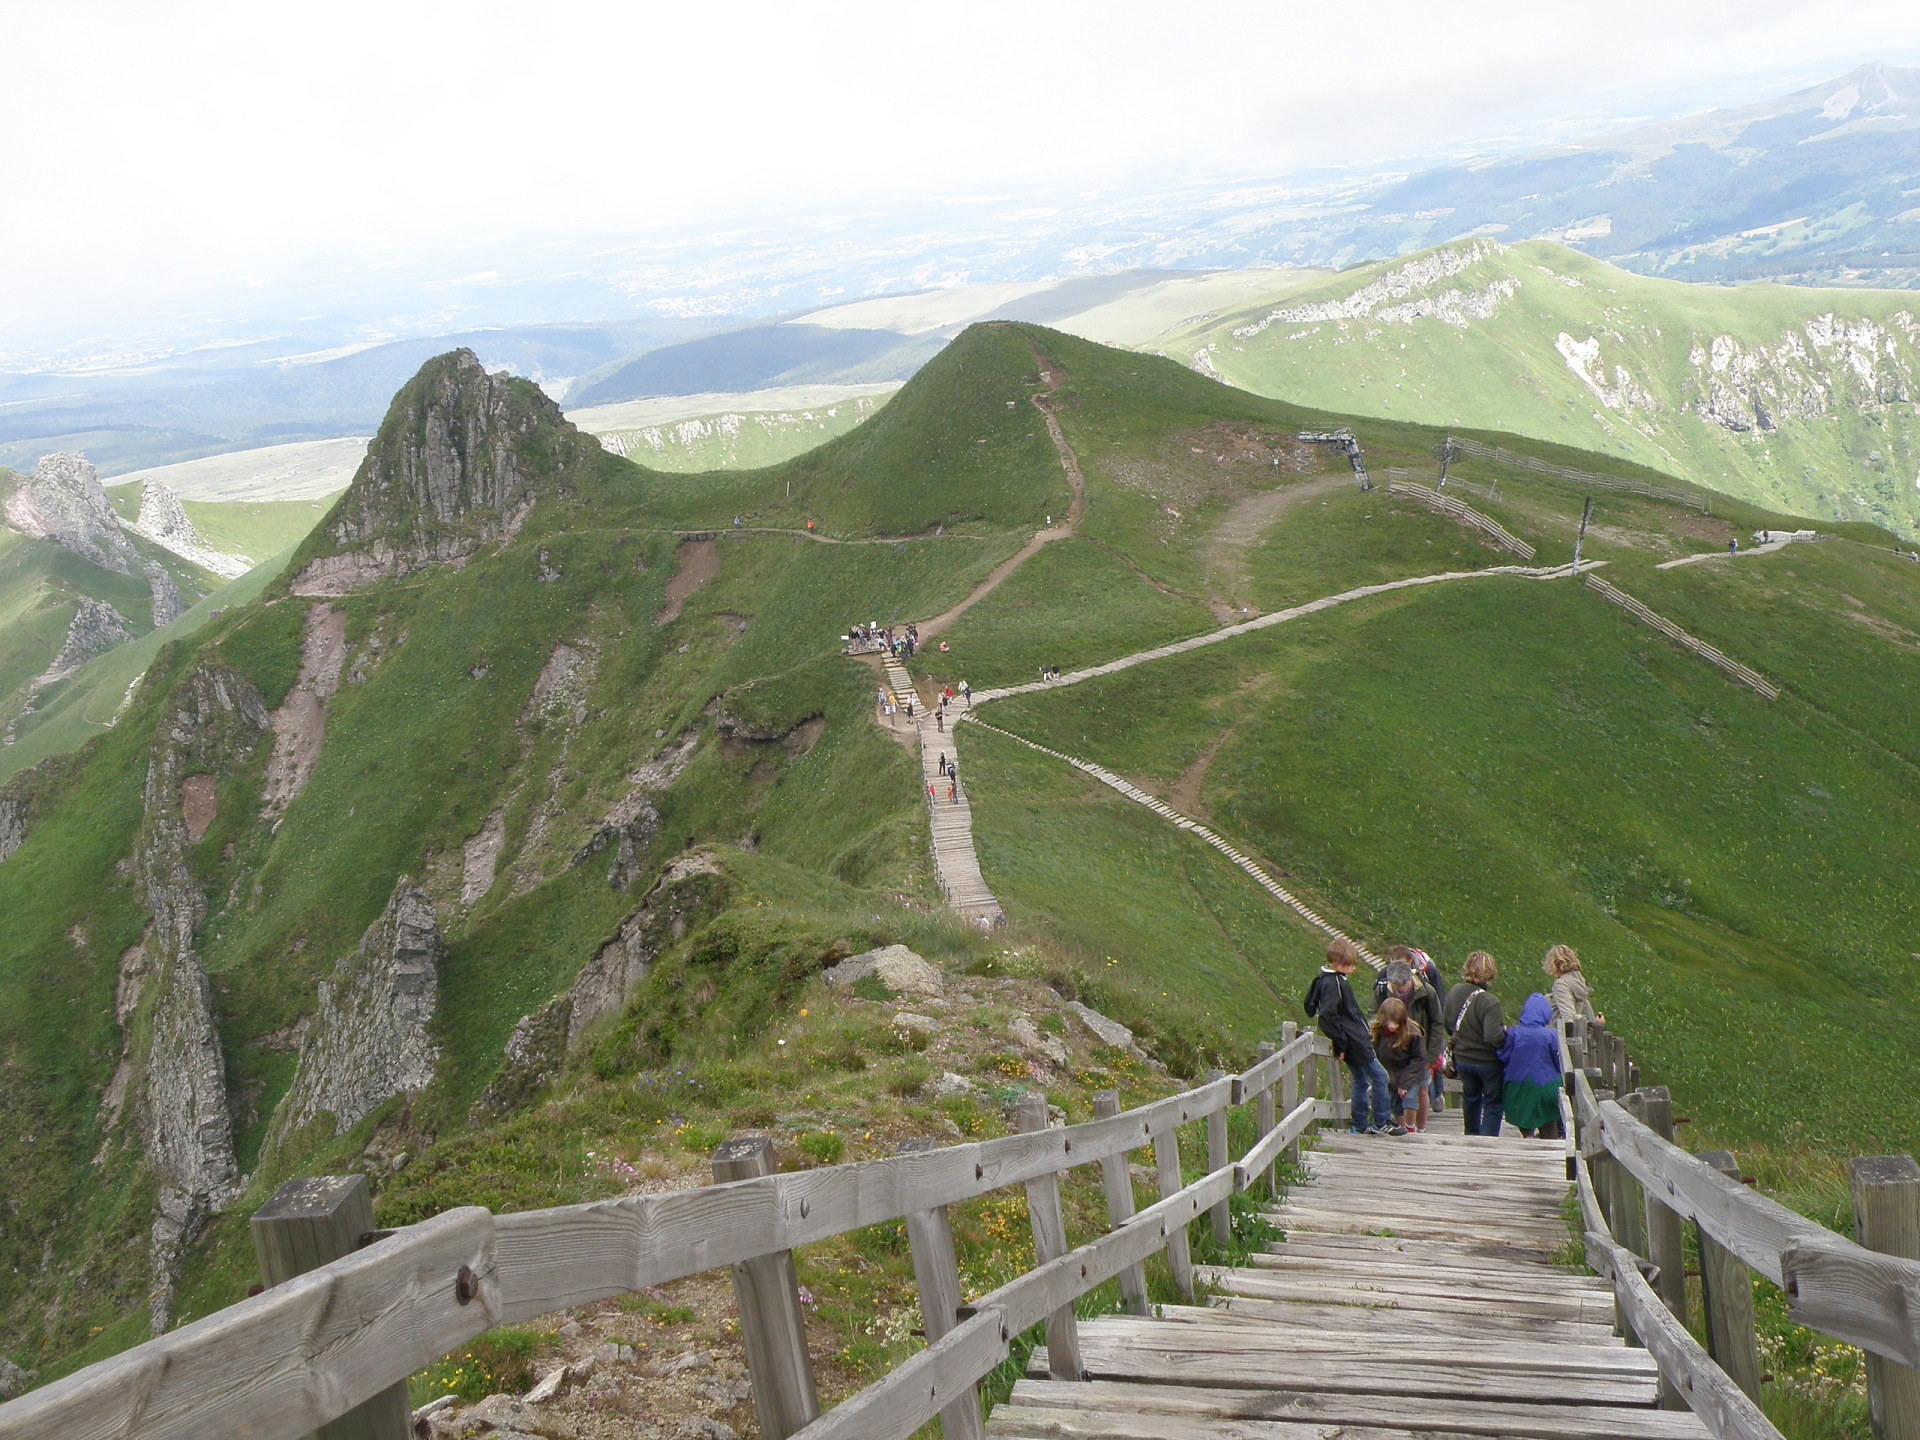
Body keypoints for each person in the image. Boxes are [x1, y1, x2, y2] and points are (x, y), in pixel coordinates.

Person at [1305, 938, 1400, 1135]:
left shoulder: (1325, 980)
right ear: (1339, 962)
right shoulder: (1334, 984)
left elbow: (1317, 1010)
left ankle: (1359, 1124)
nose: (1353, 968)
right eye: (1350, 964)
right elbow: (1328, 1016)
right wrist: (1341, 1045)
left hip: (1351, 1041)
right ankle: (1381, 1120)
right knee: (1380, 1077)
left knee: (1360, 1080)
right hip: (1354, 1042)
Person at [1444, 951, 1508, 1136]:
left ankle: (1470, 1137)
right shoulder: (1490, 1002)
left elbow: (1448, 1025)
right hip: (1488, 1063)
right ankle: (1486, 1143)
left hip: (1463, 1059)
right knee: (1493, 1103)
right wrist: (1505, 1036)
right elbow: (1493, 1037)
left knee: (1471, 1098)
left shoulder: (1454, 992)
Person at [1375, 960, 1443, 1132]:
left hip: (1420, 1049)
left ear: (1410, 979)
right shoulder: (1383, 992)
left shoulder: (1427, 992)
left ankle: (1420, 1128)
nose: (1400, 990)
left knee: (1422, 1089)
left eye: (1403, 986)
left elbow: (1437, 1023)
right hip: (1395, 1051)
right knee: (1401, 1092)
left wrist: (1432, 1054)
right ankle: (1404, 1127)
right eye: (1396, 987)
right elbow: (1372, 1013)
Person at [1499, 994, 1564, 1139]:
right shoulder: (1551, 1035)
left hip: (1518, 1084)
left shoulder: (1513, 1033)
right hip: (1546, 1085)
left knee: (1524, 1119)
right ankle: (1550, 1148)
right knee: (1549, 1122)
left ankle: (1529, 1138)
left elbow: (1503, 1056)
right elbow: (1558, 1060)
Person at [1370, 996, 1426, 1133]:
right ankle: (1402, 1130)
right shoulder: (1378, 1031)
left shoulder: (1413, 1033)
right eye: (1390, 1022)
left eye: (1396, 1022)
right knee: (1395, 1104)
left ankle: (1411, 1126)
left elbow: (1418, 1059)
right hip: (1390, 1074)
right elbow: (1374, 1053)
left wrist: (1405, 1084)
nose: (1392, 1026)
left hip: (1409, 1072)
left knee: (1410, 1099)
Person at [1543, 944, 1603, 1027]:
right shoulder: (1579, 982)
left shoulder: (1561, 984)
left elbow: (1569, 1019)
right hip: (1580, 1035)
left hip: (1562, 1036)